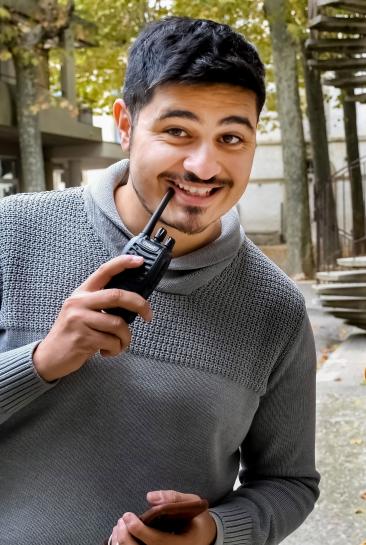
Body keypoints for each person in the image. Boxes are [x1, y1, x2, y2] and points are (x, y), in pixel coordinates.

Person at [0, 16, 320, 545]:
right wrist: (42, 362)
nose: (203, 165)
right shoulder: (13, 231)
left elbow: (289, 483)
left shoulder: (275, 310)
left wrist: (215, 532)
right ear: (124, 124)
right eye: (177, 131)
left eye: (231, 137)